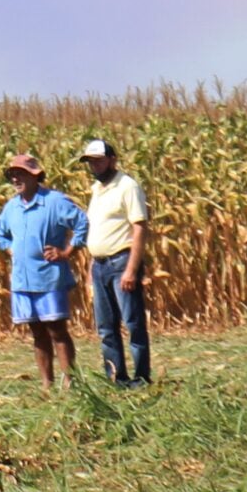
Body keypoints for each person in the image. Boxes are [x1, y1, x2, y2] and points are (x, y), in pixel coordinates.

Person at [0, 151, 87, 389]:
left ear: (35, 176)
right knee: (37, 332)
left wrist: (67, 252)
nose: (15, 179)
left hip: (49, 278)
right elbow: (0, 234)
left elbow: (82, 223)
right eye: (12, 175)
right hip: (23, 281)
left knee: (56, 330)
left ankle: (70, 382)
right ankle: (46, 383)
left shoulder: (54, 202)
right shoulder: (11, 207)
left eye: (20, 174)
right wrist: (9, 247)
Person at [80, 137, 152, 386]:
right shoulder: (96, 190)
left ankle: (141, 378)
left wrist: (132, 269)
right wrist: (91, 269)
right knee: (106, 327)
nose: (95, 166)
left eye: (99, 161)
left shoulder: (127, 186)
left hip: (122, 262)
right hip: (99, 265)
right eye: (91, 162)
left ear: (112, 160)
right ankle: (116, 378)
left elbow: (140, 227)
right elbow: (97, 230)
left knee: (133, 324)